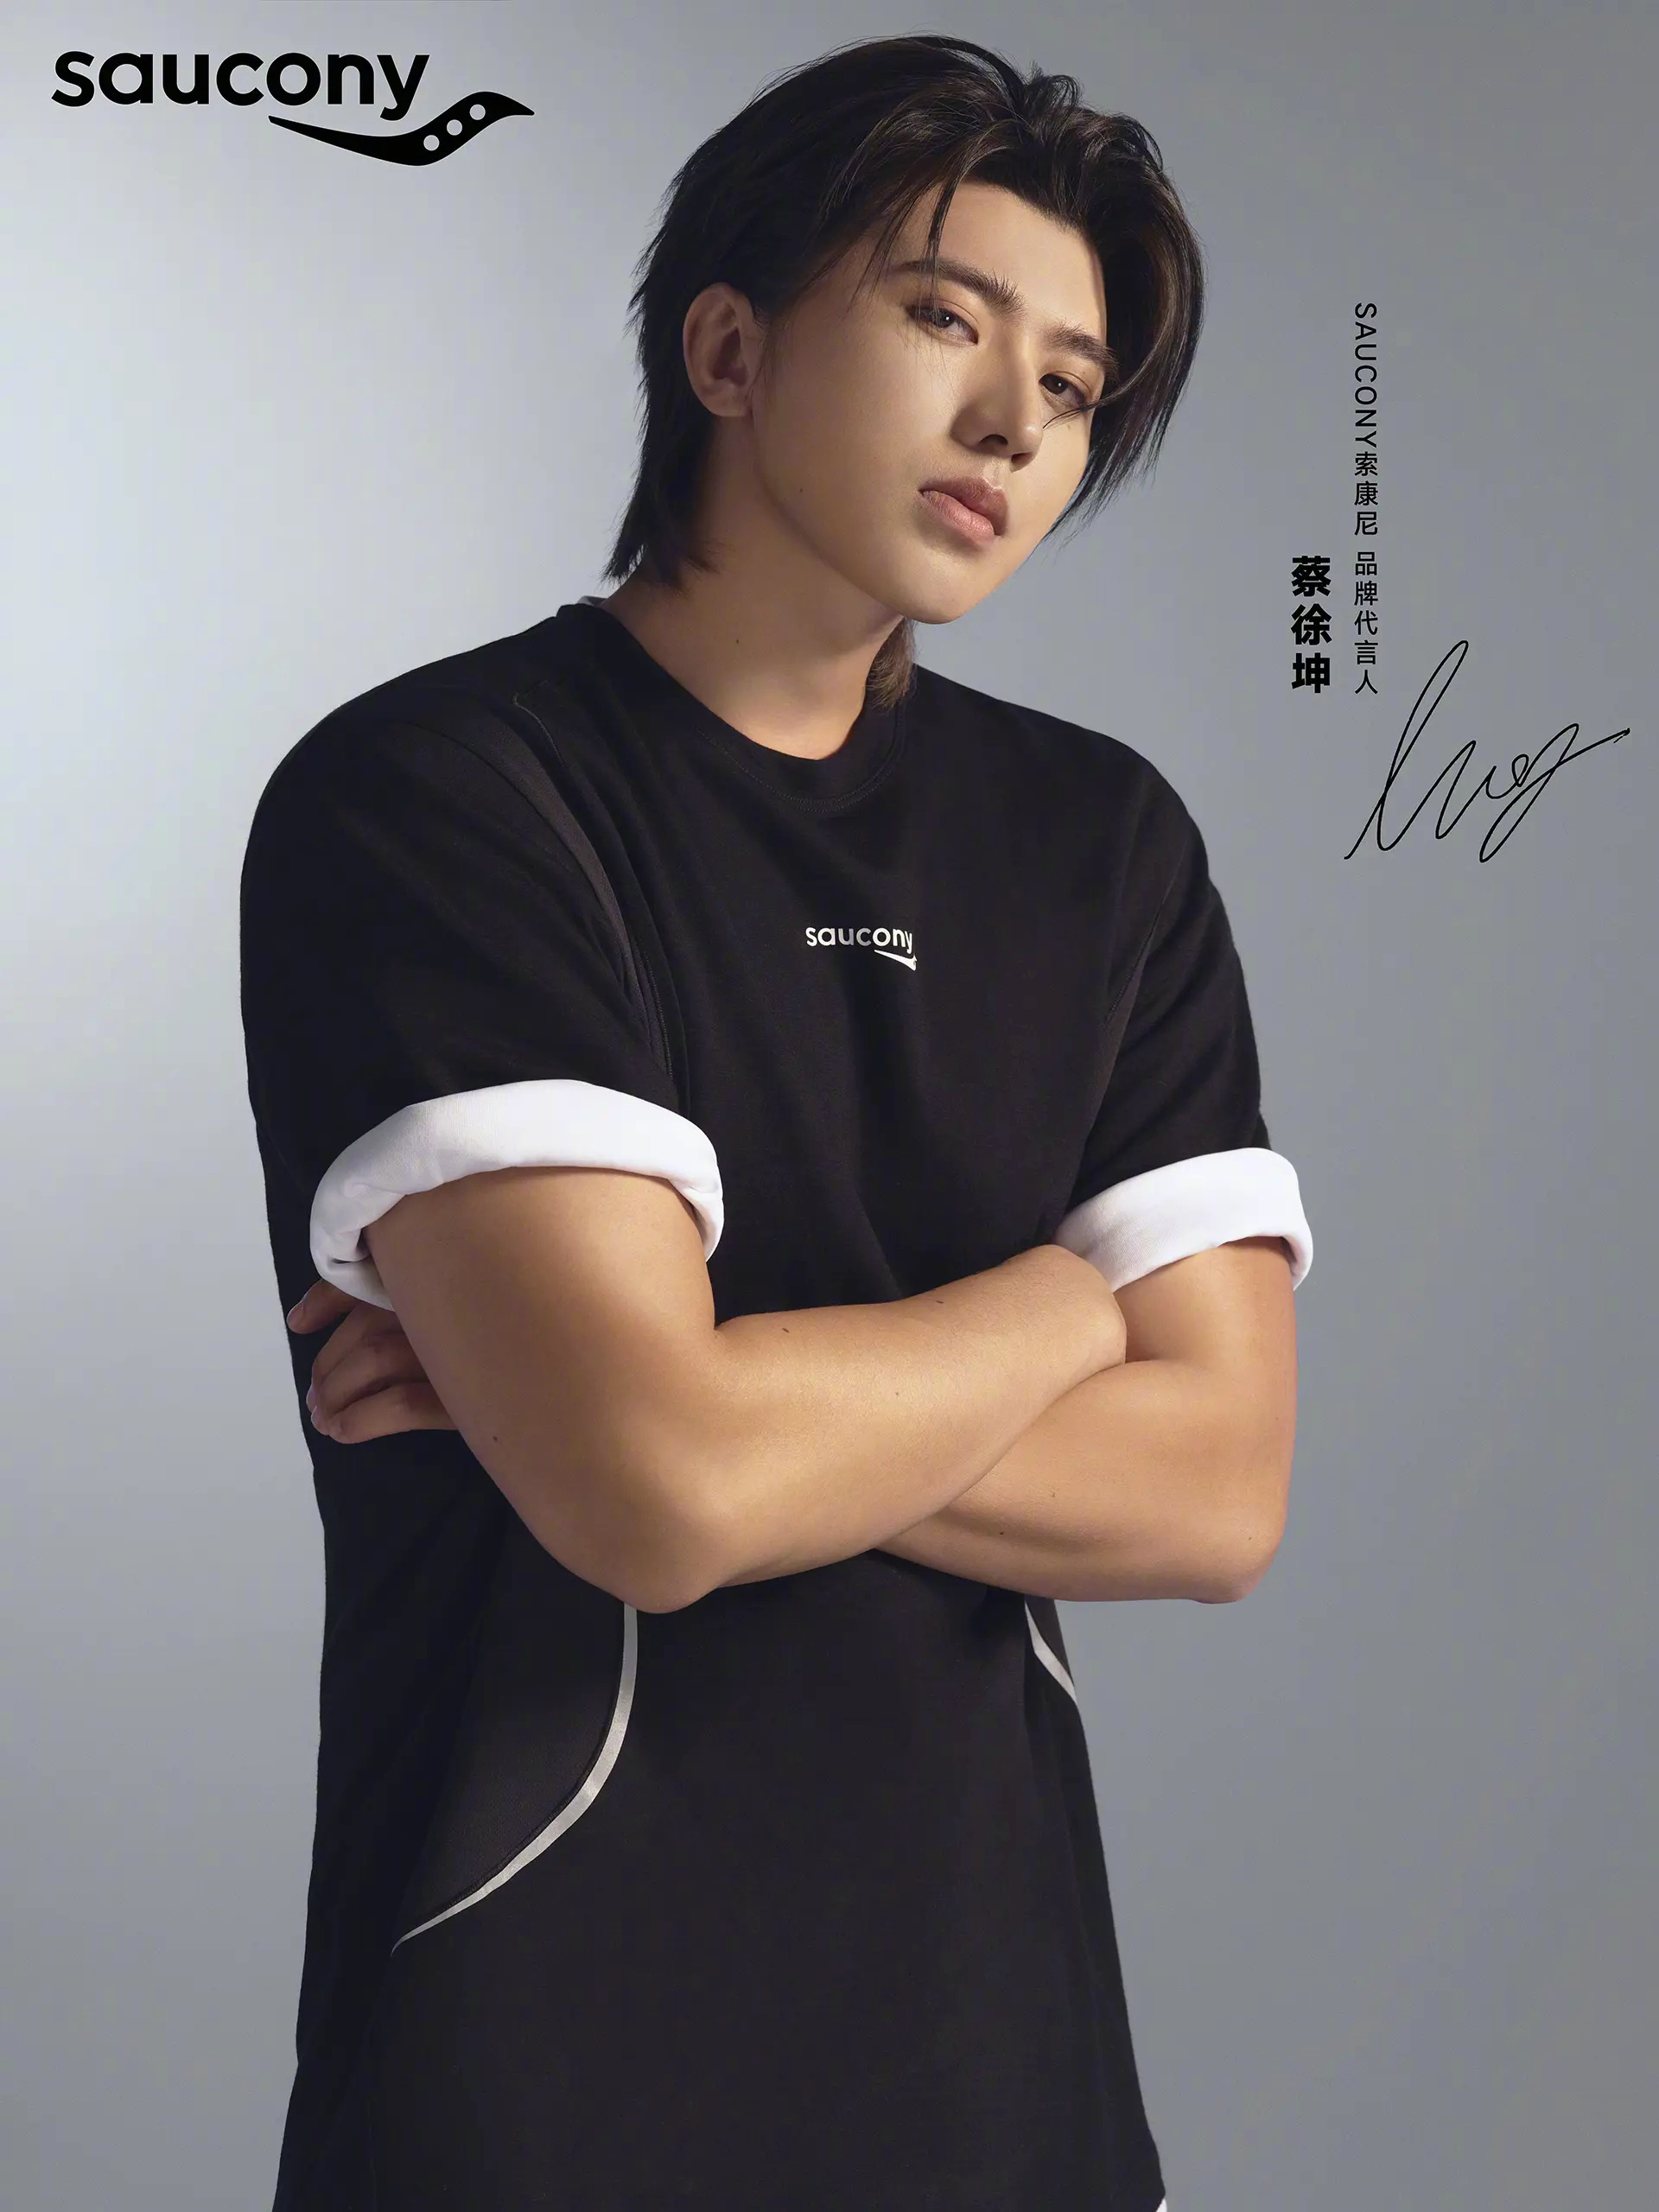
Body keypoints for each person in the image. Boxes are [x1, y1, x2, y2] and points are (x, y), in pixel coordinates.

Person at [240, 32, 1313, 2211]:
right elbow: (662, 1490)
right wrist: (1065, 1304)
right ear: (726, 349)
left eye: (1073, 383)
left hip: (1003, 2074)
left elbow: (1219, 1486)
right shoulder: (441, 792)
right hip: (533, 2059)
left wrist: (677, 1406)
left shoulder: (1099, 846)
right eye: (944, 318)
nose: (1015, 421)